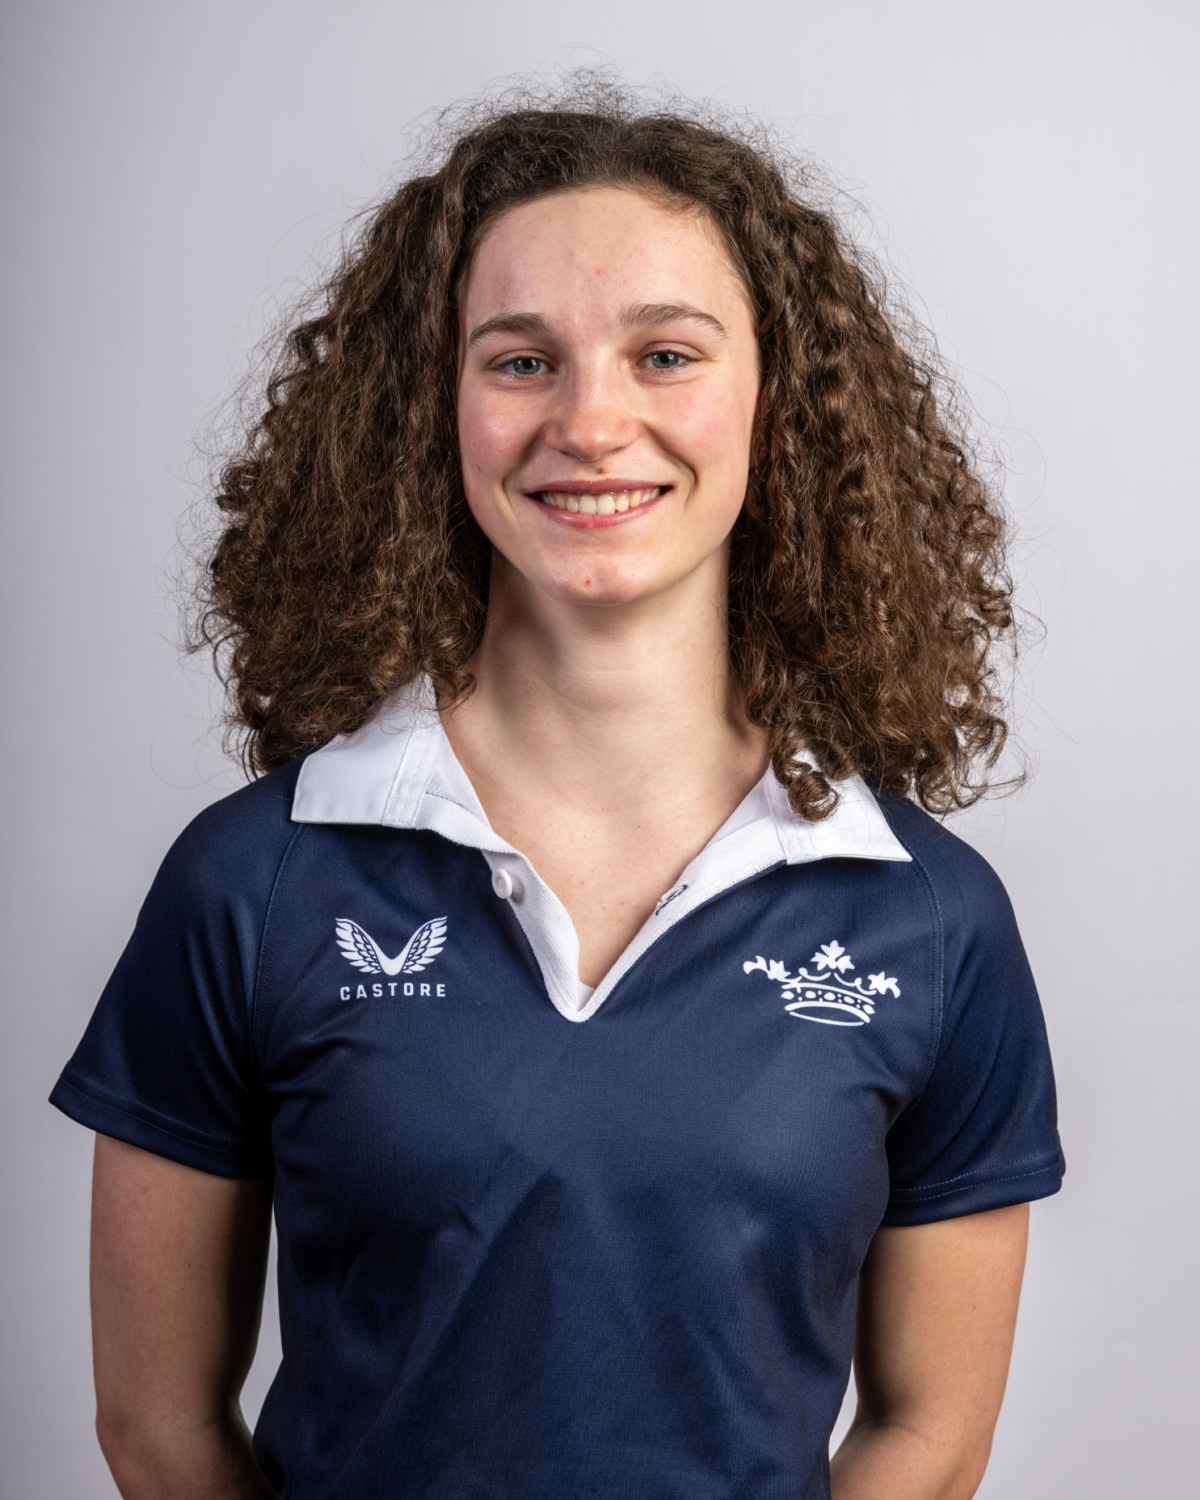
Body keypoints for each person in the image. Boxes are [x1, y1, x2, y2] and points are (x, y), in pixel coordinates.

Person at [51, 83, 1063, 1500]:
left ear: (776, 404)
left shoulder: (932, 919)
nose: (592, 422)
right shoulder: (254, 882)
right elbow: (157, 1429)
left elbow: (931, 1438)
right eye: (521, 361)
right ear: (434, 411)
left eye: (666, 354)